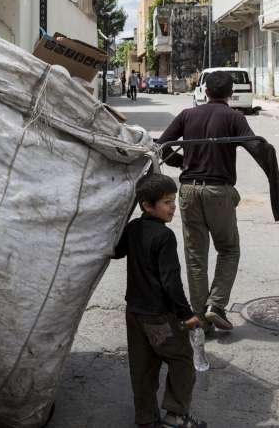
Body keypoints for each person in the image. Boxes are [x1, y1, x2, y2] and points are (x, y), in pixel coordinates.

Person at [156, 72, 279, 333]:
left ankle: (200, 320)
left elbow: (163, 146)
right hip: (218, 192)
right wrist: (269, 161)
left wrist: (182, 163)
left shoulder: (187, 115)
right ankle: (216, 305)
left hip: (189, 191)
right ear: (229, 93)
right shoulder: (235, 118)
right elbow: (256, 147)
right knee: (228, 250)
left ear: (205, 91)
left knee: (195, 258)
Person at [114, 174, 207, 428]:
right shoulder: (164, 237)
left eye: (173, 201)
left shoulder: (133, 228)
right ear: (147, 205)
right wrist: (187, 315)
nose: (173, 207)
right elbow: (171, 283)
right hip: (158, 316)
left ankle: (145, 419)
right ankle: (176, 415)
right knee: (182, 359)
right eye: (166, 202)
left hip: (134, 312)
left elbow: (115, 252)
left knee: (142, 368)